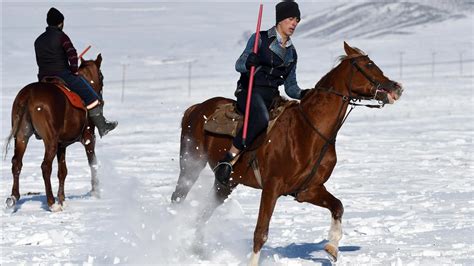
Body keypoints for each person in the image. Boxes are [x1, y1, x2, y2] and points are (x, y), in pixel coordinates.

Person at [214, 0, 310, 186]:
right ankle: (227, 159)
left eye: (297, 20)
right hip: (250, 90)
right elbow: (239, 65)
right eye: (291, 18)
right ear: (280, 19)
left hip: (272, 96)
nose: (294, 24)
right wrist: (249, 61)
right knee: (260, 118)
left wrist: (306, 94)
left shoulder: (292, 53)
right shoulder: (259, 38)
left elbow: (291, 87)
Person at [34, 7, 117, 137]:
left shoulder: (38, 40)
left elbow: (39, 60)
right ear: (60, 23)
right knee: (92, 97)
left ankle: (38, 128)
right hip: (62, 74)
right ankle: (102, 126)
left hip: (43, 77)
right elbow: (72, 54)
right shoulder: (62, 37)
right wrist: (73, 69)